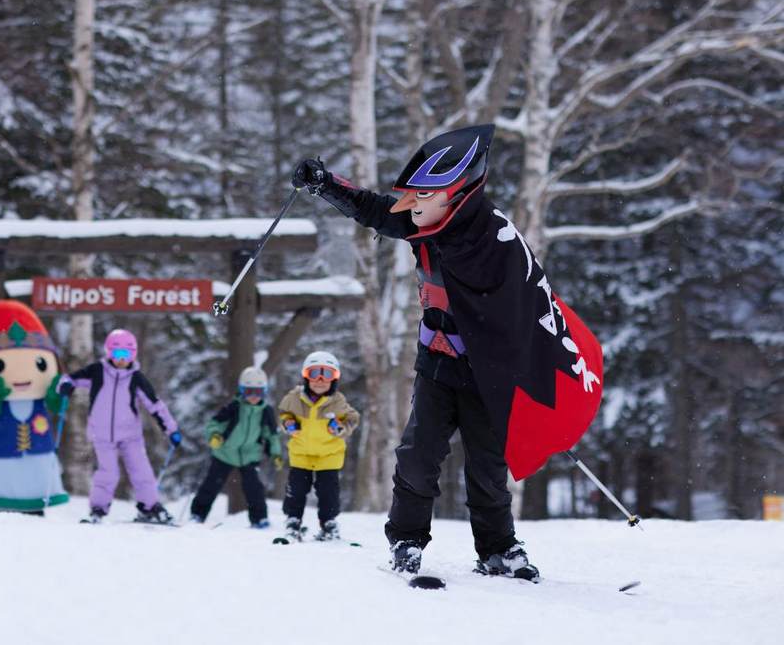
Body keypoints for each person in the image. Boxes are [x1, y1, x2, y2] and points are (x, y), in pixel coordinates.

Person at [291, 124, 603, 582]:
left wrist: (539, 385)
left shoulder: (497, 240)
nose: (410, 206)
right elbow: (377, 209)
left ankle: (498, 547)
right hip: (437, 363)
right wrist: (326, 183)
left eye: (423, 195)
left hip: (487, 373)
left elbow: (534, 313)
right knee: (418, 455)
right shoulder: (427, 223)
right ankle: (406, 541)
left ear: (457, 195)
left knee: (488, 465)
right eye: (411, 196)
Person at [57, 329, 181, 524]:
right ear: (109, 353)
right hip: (102, 435)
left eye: (126, 354)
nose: (122, 359)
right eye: (117, 354)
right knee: (108, 473)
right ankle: (98, 509)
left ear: (133, 355)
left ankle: (149, 507)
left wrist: (170, 429)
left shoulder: (136, 378)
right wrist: (65, 386)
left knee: (142, 471)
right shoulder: (97, 372)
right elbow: (69, 378)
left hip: (130, 435)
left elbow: (155, 405)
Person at [0, 300, 69, 514]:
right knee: (1, 475)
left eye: (41, 364)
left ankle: (36, 498)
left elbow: (57, 406)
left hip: (38, 451)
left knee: (36, 473)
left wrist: (56, 394)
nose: (21, 375)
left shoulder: (39, 400)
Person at [277, 351, 360, 542]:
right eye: (314, 374)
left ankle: (328, 523)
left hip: (329, 456)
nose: (320, 380)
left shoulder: (338, 402)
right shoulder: (294, 398)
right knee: (296, 491)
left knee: (328, 493)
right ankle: (293, 521)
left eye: (327, 374)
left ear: (334, 379)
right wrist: (288, 423)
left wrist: (340, 427)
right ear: (306, 377)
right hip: (301, 454)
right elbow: (283, 414)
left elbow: (353, 419)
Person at [189, 366, 282, 528]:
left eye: (258, 392)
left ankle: (259, 519)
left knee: (254, 489)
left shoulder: (266, 411)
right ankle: (198, 514)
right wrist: (214, 436)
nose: (254, 396)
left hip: (249, 454)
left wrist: (276, 454)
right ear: (242, 391)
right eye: (249, 392)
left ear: (264, 392)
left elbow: (272, 435)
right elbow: (213, 424)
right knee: (211, 484)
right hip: (225, 452)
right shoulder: (233, 407)